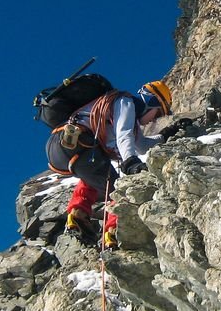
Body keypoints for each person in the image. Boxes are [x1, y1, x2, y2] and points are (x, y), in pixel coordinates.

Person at [46, 78, 186, 249]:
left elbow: (141, 145)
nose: (154, 120)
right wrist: (130, 161)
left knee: (96, 175)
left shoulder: (127, 115)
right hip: (78, 141)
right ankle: (112, 233)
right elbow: (123, 134)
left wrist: (165, 135)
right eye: (158, 113)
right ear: (152, 102)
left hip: (62, 146)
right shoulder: (124, 101)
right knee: (116, 190)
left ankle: (77, 216)